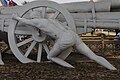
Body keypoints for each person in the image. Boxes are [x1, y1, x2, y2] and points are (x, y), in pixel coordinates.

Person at [12, 10, 116, 70]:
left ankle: (71, 68)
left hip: (64, 39)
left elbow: (24, 21)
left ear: (34, 16)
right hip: (72, 35)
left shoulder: (37, 22)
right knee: (93, 56)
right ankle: (112, 68)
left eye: (31, 16)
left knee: (50, 56)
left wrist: (16, 17)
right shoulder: (52, 20)